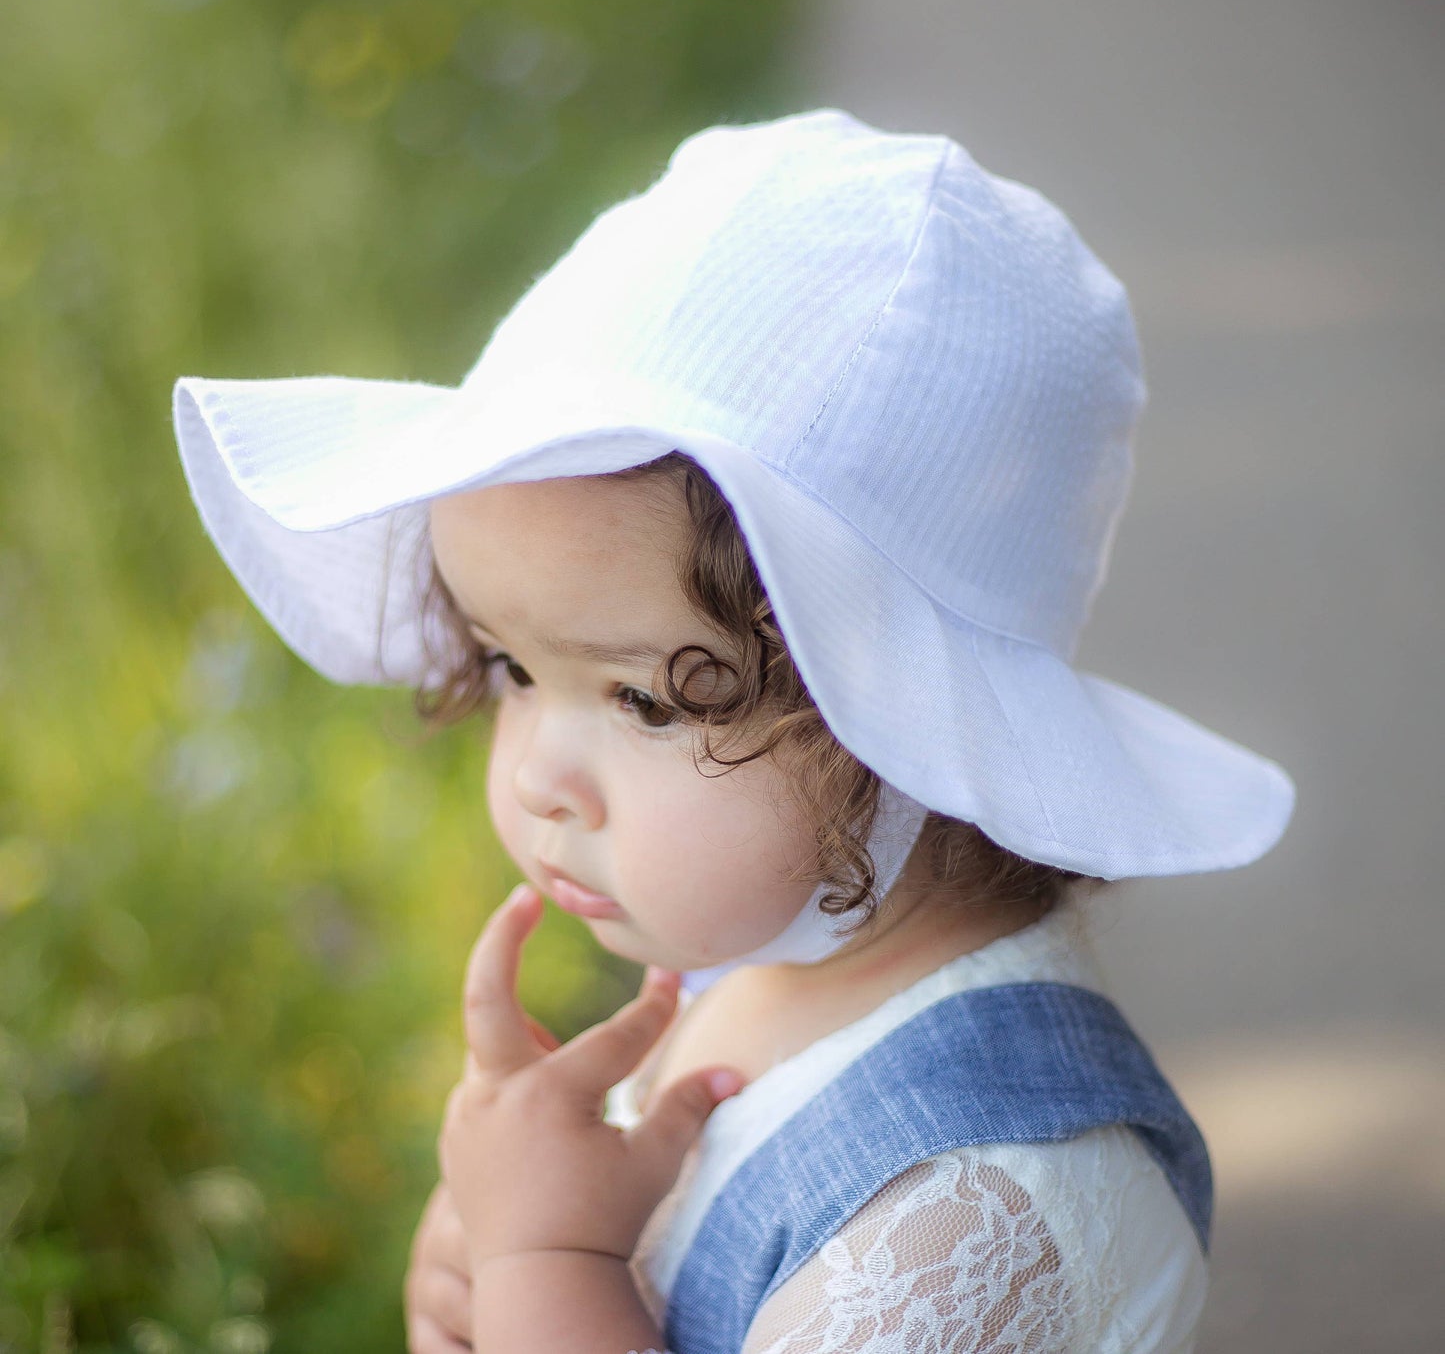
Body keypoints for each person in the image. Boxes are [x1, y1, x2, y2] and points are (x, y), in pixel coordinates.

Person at [172, 109, 1295, 1353]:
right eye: (509, 665)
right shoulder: (756, 959)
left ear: (900, 717)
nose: (537, 773)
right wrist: (495, 1261)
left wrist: (545, 1259)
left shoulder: (983, 1216)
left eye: (642, 698)